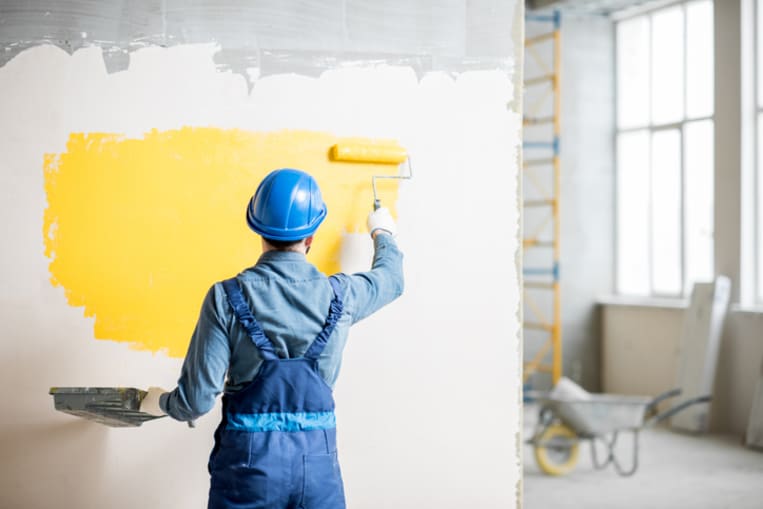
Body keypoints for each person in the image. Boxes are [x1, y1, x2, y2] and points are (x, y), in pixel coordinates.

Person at [140, 168, 404, 509]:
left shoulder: (226, 297)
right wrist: (382, 230)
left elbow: (195, 403)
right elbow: (391, 279)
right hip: (318, 471)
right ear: (311, 238)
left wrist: (159, 401)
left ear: (257, 229)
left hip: (248, 471)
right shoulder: (343, 295)